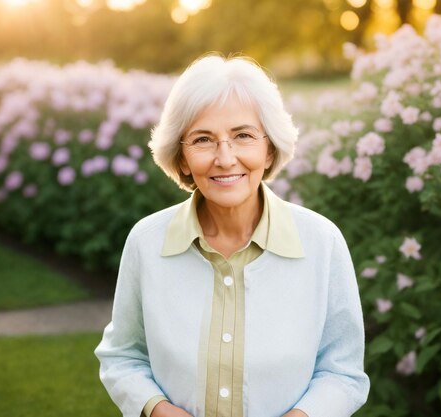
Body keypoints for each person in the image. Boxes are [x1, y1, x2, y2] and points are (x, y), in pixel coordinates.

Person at [94, 55, 370, 417]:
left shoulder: (322, 242)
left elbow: (343, 372)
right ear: (181, 158)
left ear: (269, 149)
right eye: (203, 139)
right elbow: (122, 356)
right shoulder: (147, 242)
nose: (225, 159)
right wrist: (158, 409)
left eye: (243, 136)